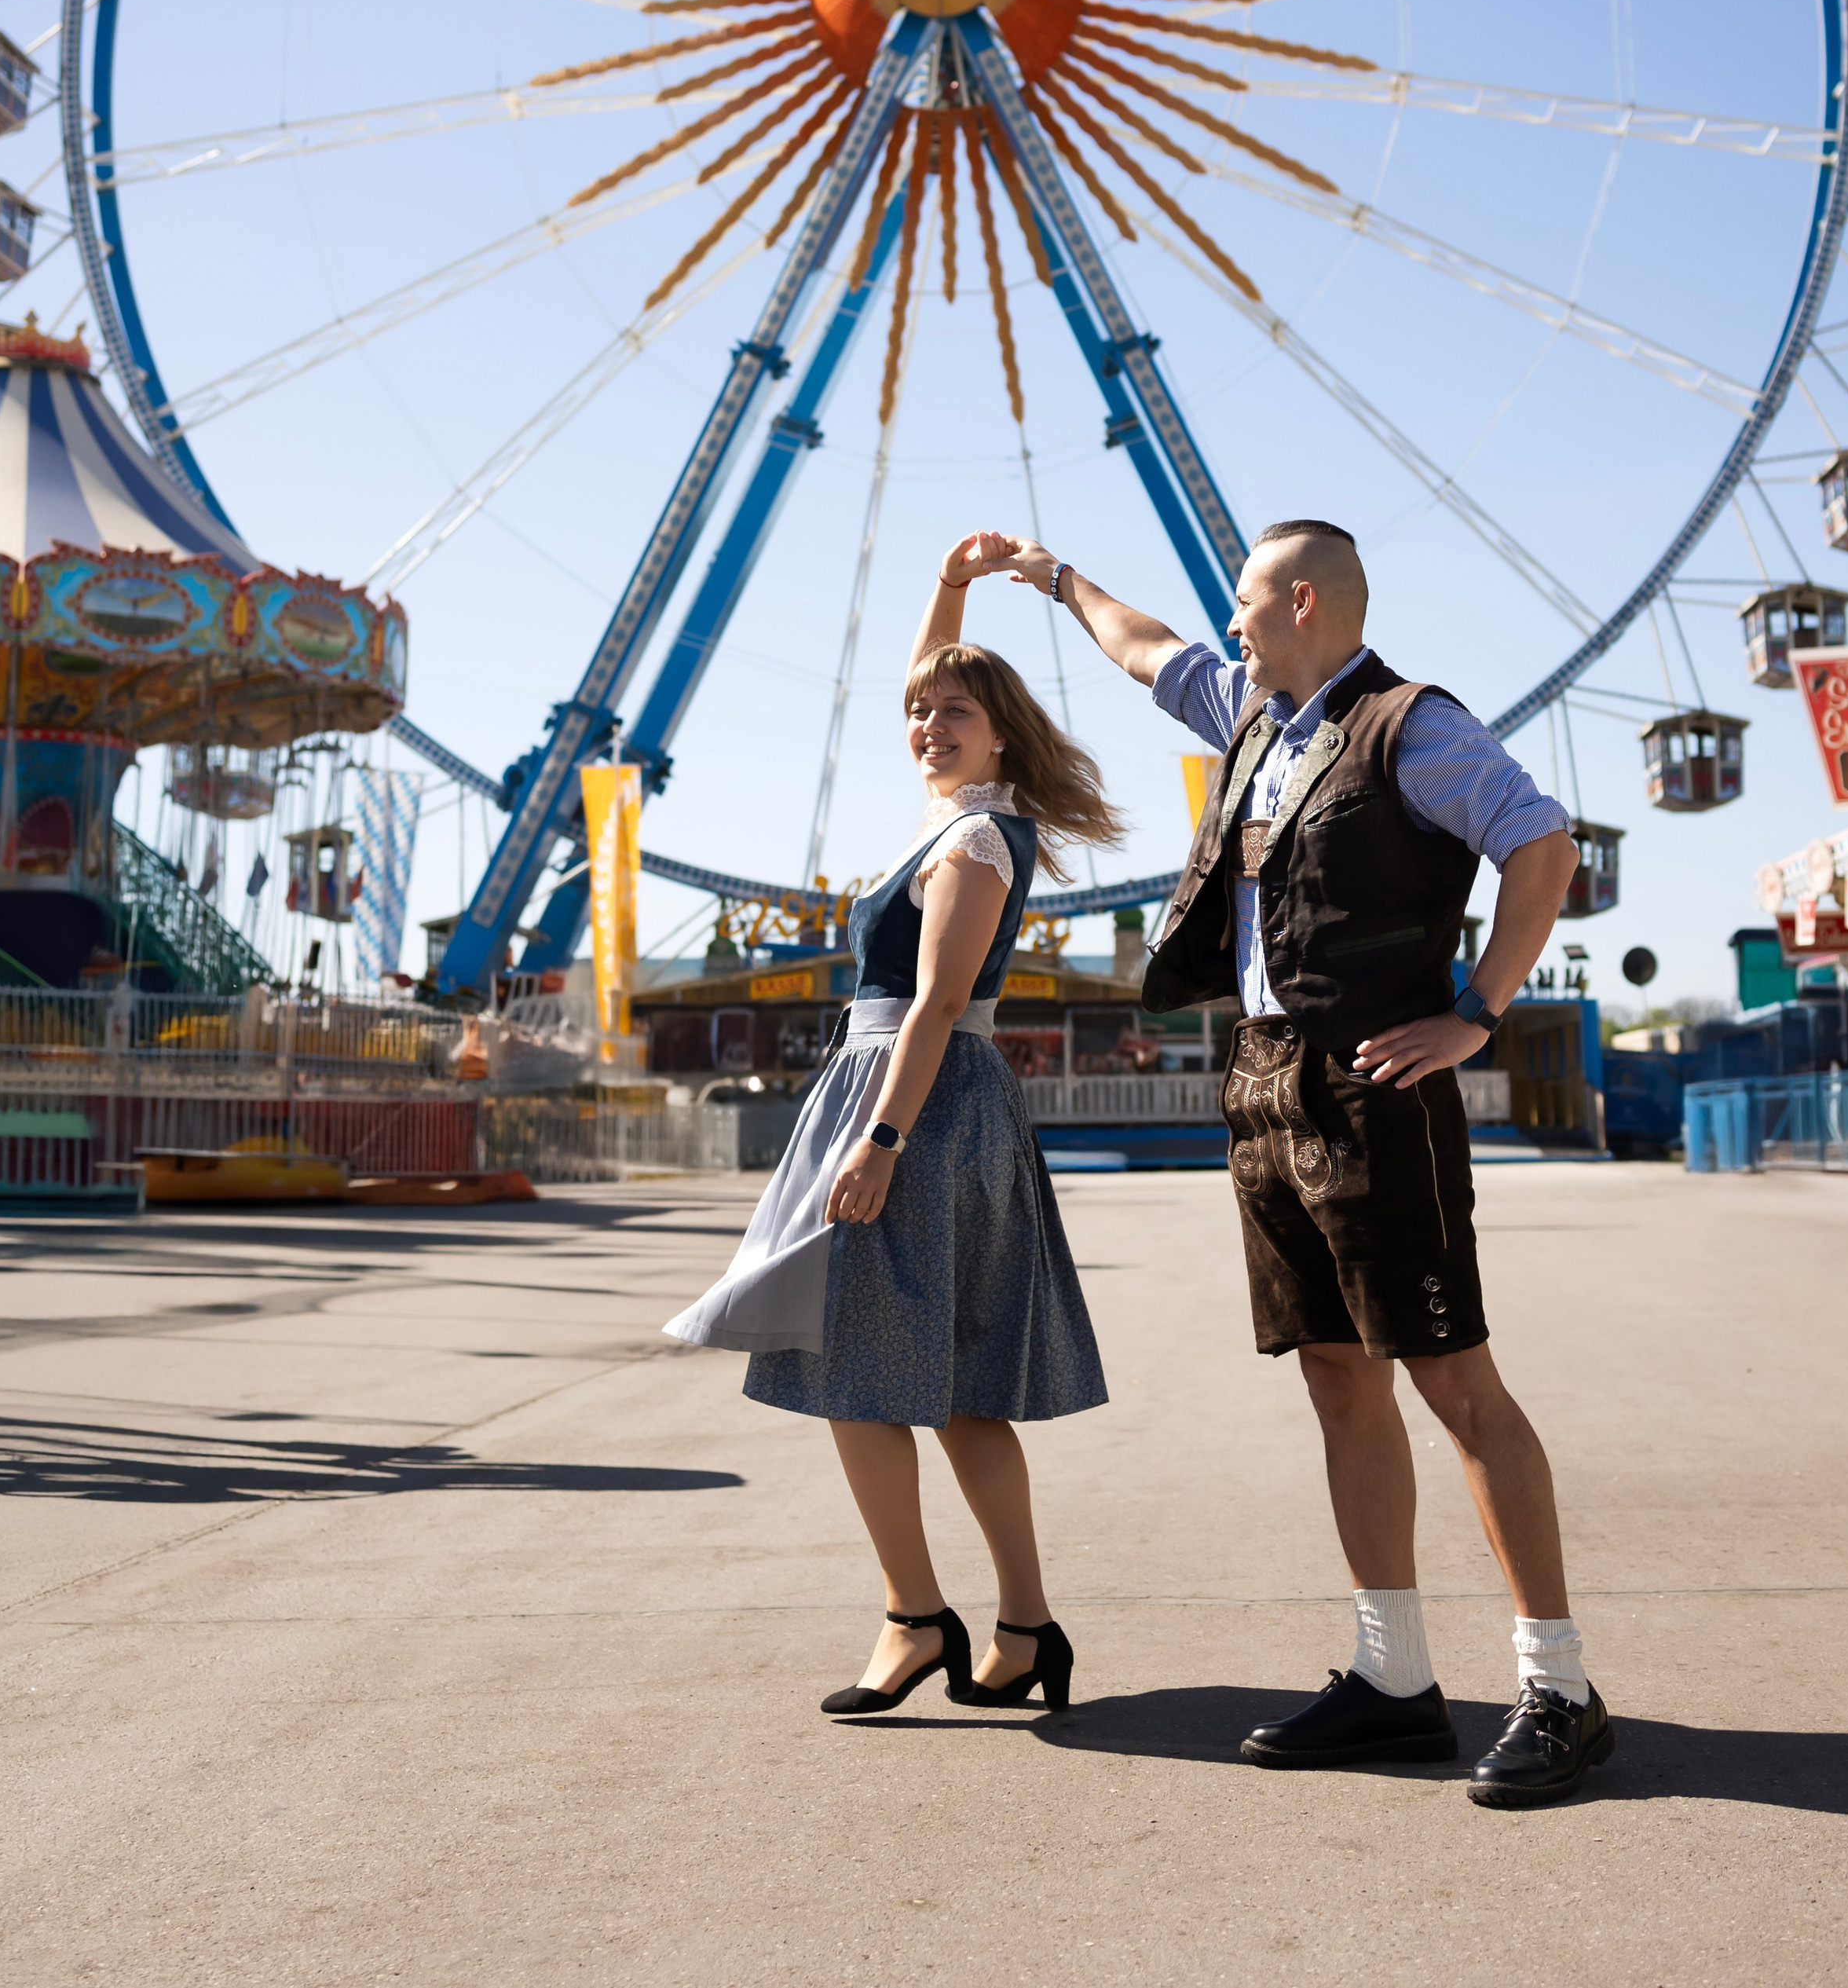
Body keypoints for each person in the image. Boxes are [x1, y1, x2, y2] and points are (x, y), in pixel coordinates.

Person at [967, 518, 1613, 1808]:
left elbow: (1542, 847)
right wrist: (1047, 576)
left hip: (1378, 1082)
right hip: (1263, 1079)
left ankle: (1563, 1689)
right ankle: (1395, 1679)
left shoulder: (1412, 726)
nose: (1233, 623)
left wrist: (1477, 1011)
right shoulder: (1253, 717)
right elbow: (1146, 648)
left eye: (1250, 603)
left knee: (1456, 1383)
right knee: (1335, 1377)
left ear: (1305, 601)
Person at [665, 536, 1118, 1719]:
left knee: (853, 1372)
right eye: (919, 715)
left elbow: (933, 1002)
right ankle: (1023, 1626)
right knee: (963, 1387)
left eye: (952, 715)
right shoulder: (968, 814)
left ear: (1002, 731)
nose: (926, 725)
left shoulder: (970, 843)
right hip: (939, 1103)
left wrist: (879, 1140)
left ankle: (918, 1615)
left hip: (912, 1098)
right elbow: (931, 674)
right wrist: (956, 588)